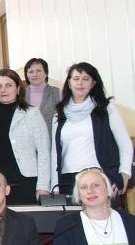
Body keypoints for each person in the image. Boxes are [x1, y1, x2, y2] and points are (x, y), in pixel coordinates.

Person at [51, 62, 132, 195]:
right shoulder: (59, 112)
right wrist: (55, 187)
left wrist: (124, 174)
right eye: (76, 78)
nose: (80, 83)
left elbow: (125, 144)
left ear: (93, 83)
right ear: (69, 83)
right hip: (67, 180)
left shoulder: (106, 108)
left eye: (86, 79)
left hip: (101, 177)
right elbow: (55, 152)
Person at [0, 69, 50, 205]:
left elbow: (44, 151)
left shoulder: (32, 113)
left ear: (18, 89)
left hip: (24, 180)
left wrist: (43, 186)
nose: (3, 90)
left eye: (8, 85)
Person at [24, 57, 60, 132]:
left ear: (46, 73)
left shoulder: (57, 93)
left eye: (38, 71)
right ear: (26, 75)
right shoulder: (20, 95)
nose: (35, 74)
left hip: (50, 137)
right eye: (31, 72)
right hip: (26, 137)